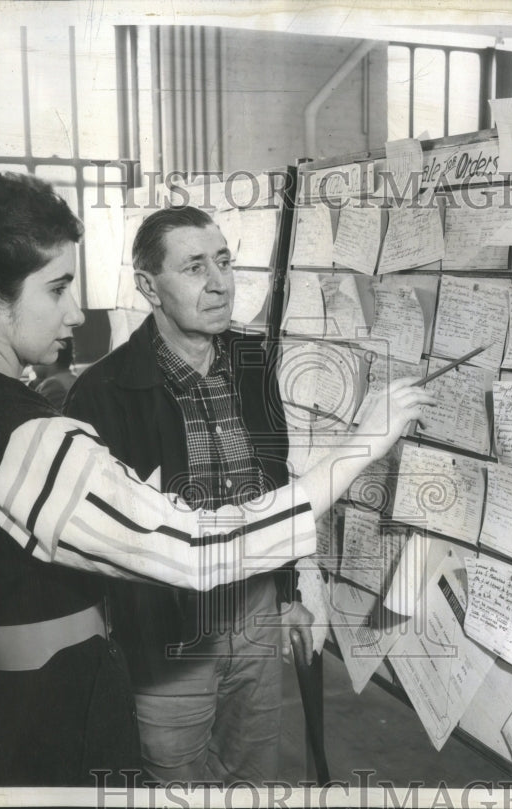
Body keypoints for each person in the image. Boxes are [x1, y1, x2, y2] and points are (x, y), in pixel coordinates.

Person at [0, 169, 432, 787]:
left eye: (224, 262)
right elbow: (194, 550)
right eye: (57, 289)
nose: (76, 311)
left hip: (7, 703)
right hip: (64, 713)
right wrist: (363, 446)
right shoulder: (30, 432)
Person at [63, 206, 328, 784]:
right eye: (193, 267)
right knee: (174, 786)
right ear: (148, 287)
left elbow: (275, 482)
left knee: (254, 777)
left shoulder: (253, 363)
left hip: (256, 613)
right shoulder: (102, 393)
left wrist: (288, 594)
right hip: (166, 634)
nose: (219, 281)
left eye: (224, 261)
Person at [28, 336, 78, 409]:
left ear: (50, 356)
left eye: (35, 355)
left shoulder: (53, 384)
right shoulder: (74, 379)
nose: (31, 364)